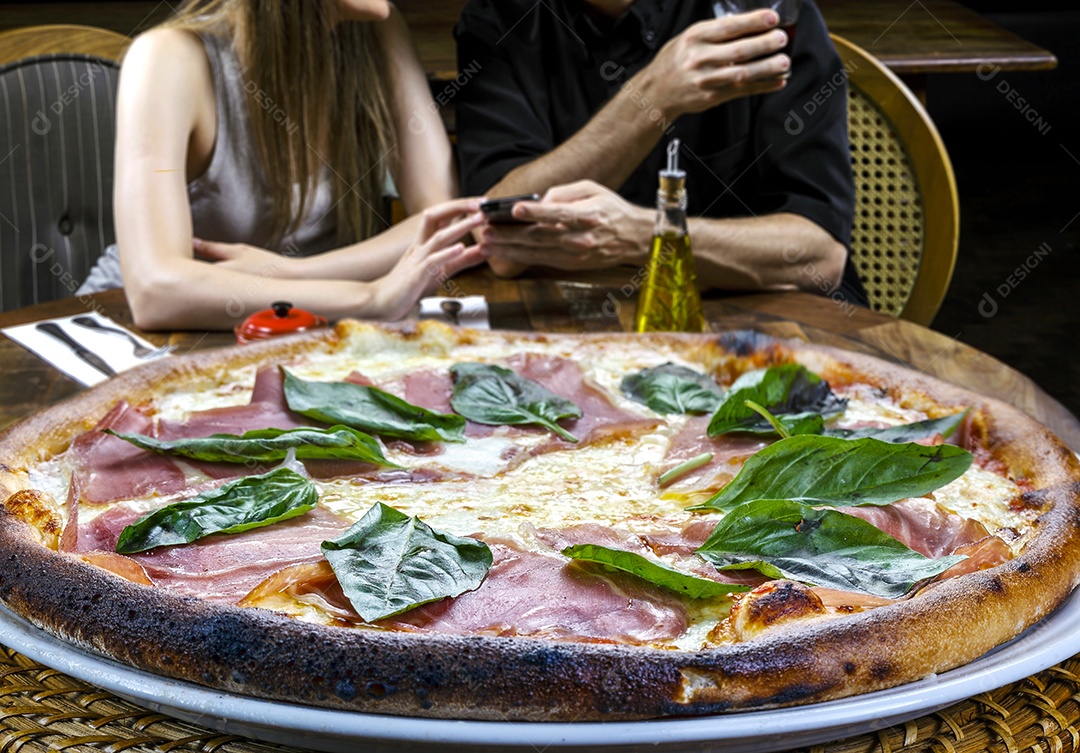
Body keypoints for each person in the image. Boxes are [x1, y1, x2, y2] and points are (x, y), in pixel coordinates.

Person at [80, 0, 487, 330]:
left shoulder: (378, 31)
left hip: (296, 328)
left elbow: (446, 225)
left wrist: (291, 273)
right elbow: (156, 292)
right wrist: (371, 299)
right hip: (140, 336)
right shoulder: (168, 56)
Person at [454, 0, 868, 305]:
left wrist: (647, 235)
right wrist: (653, 97)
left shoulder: (764, 11)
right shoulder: (501, 21)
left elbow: (819, 255)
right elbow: (502, 239)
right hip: (589, 327)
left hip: (769, 325)